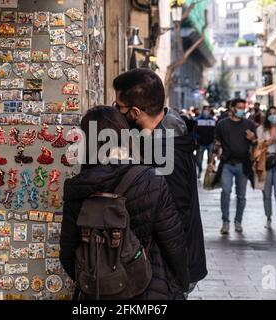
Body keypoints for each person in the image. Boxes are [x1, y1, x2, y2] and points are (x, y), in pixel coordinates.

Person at [60, 106, 189, 299]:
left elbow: (68, 253)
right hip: (148, 285)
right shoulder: (151, 180)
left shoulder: (77, 187)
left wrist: (98, 279)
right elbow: (173, 241)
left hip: (96, 291)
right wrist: (182, 282)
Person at [112, 68, 207, 294]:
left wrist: (179, 277)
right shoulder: (165, 130)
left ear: (135, 112)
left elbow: (175, 219)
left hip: (168, 270)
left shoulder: (165, 151)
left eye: (118, 107)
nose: (115, 112)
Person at [209, 98, 257, 235]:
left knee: (241, 196)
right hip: (227, 164)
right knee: (225, 192)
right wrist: (212, 161)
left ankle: (238, 222)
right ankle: (225, 222)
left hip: (243, 164)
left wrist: (253, 139)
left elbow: (256, 144)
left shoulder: (249, 124)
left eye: (244, 107)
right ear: (232, 108)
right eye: (239, 107)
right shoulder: (222, 124)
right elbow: (217, 143)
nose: (242, 109)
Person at [195, 106, 216, 179]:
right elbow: (195, 131)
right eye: (205, 110)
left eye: (208, 110)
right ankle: (200, 169)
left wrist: (214, 141)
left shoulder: (213, 120)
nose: (206, 112)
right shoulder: (198, 120)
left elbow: (215, 132)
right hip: (201, 143)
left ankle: (208, 172)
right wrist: (196, 140)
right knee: (199, 160)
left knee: (210, 159)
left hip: (210, 143)